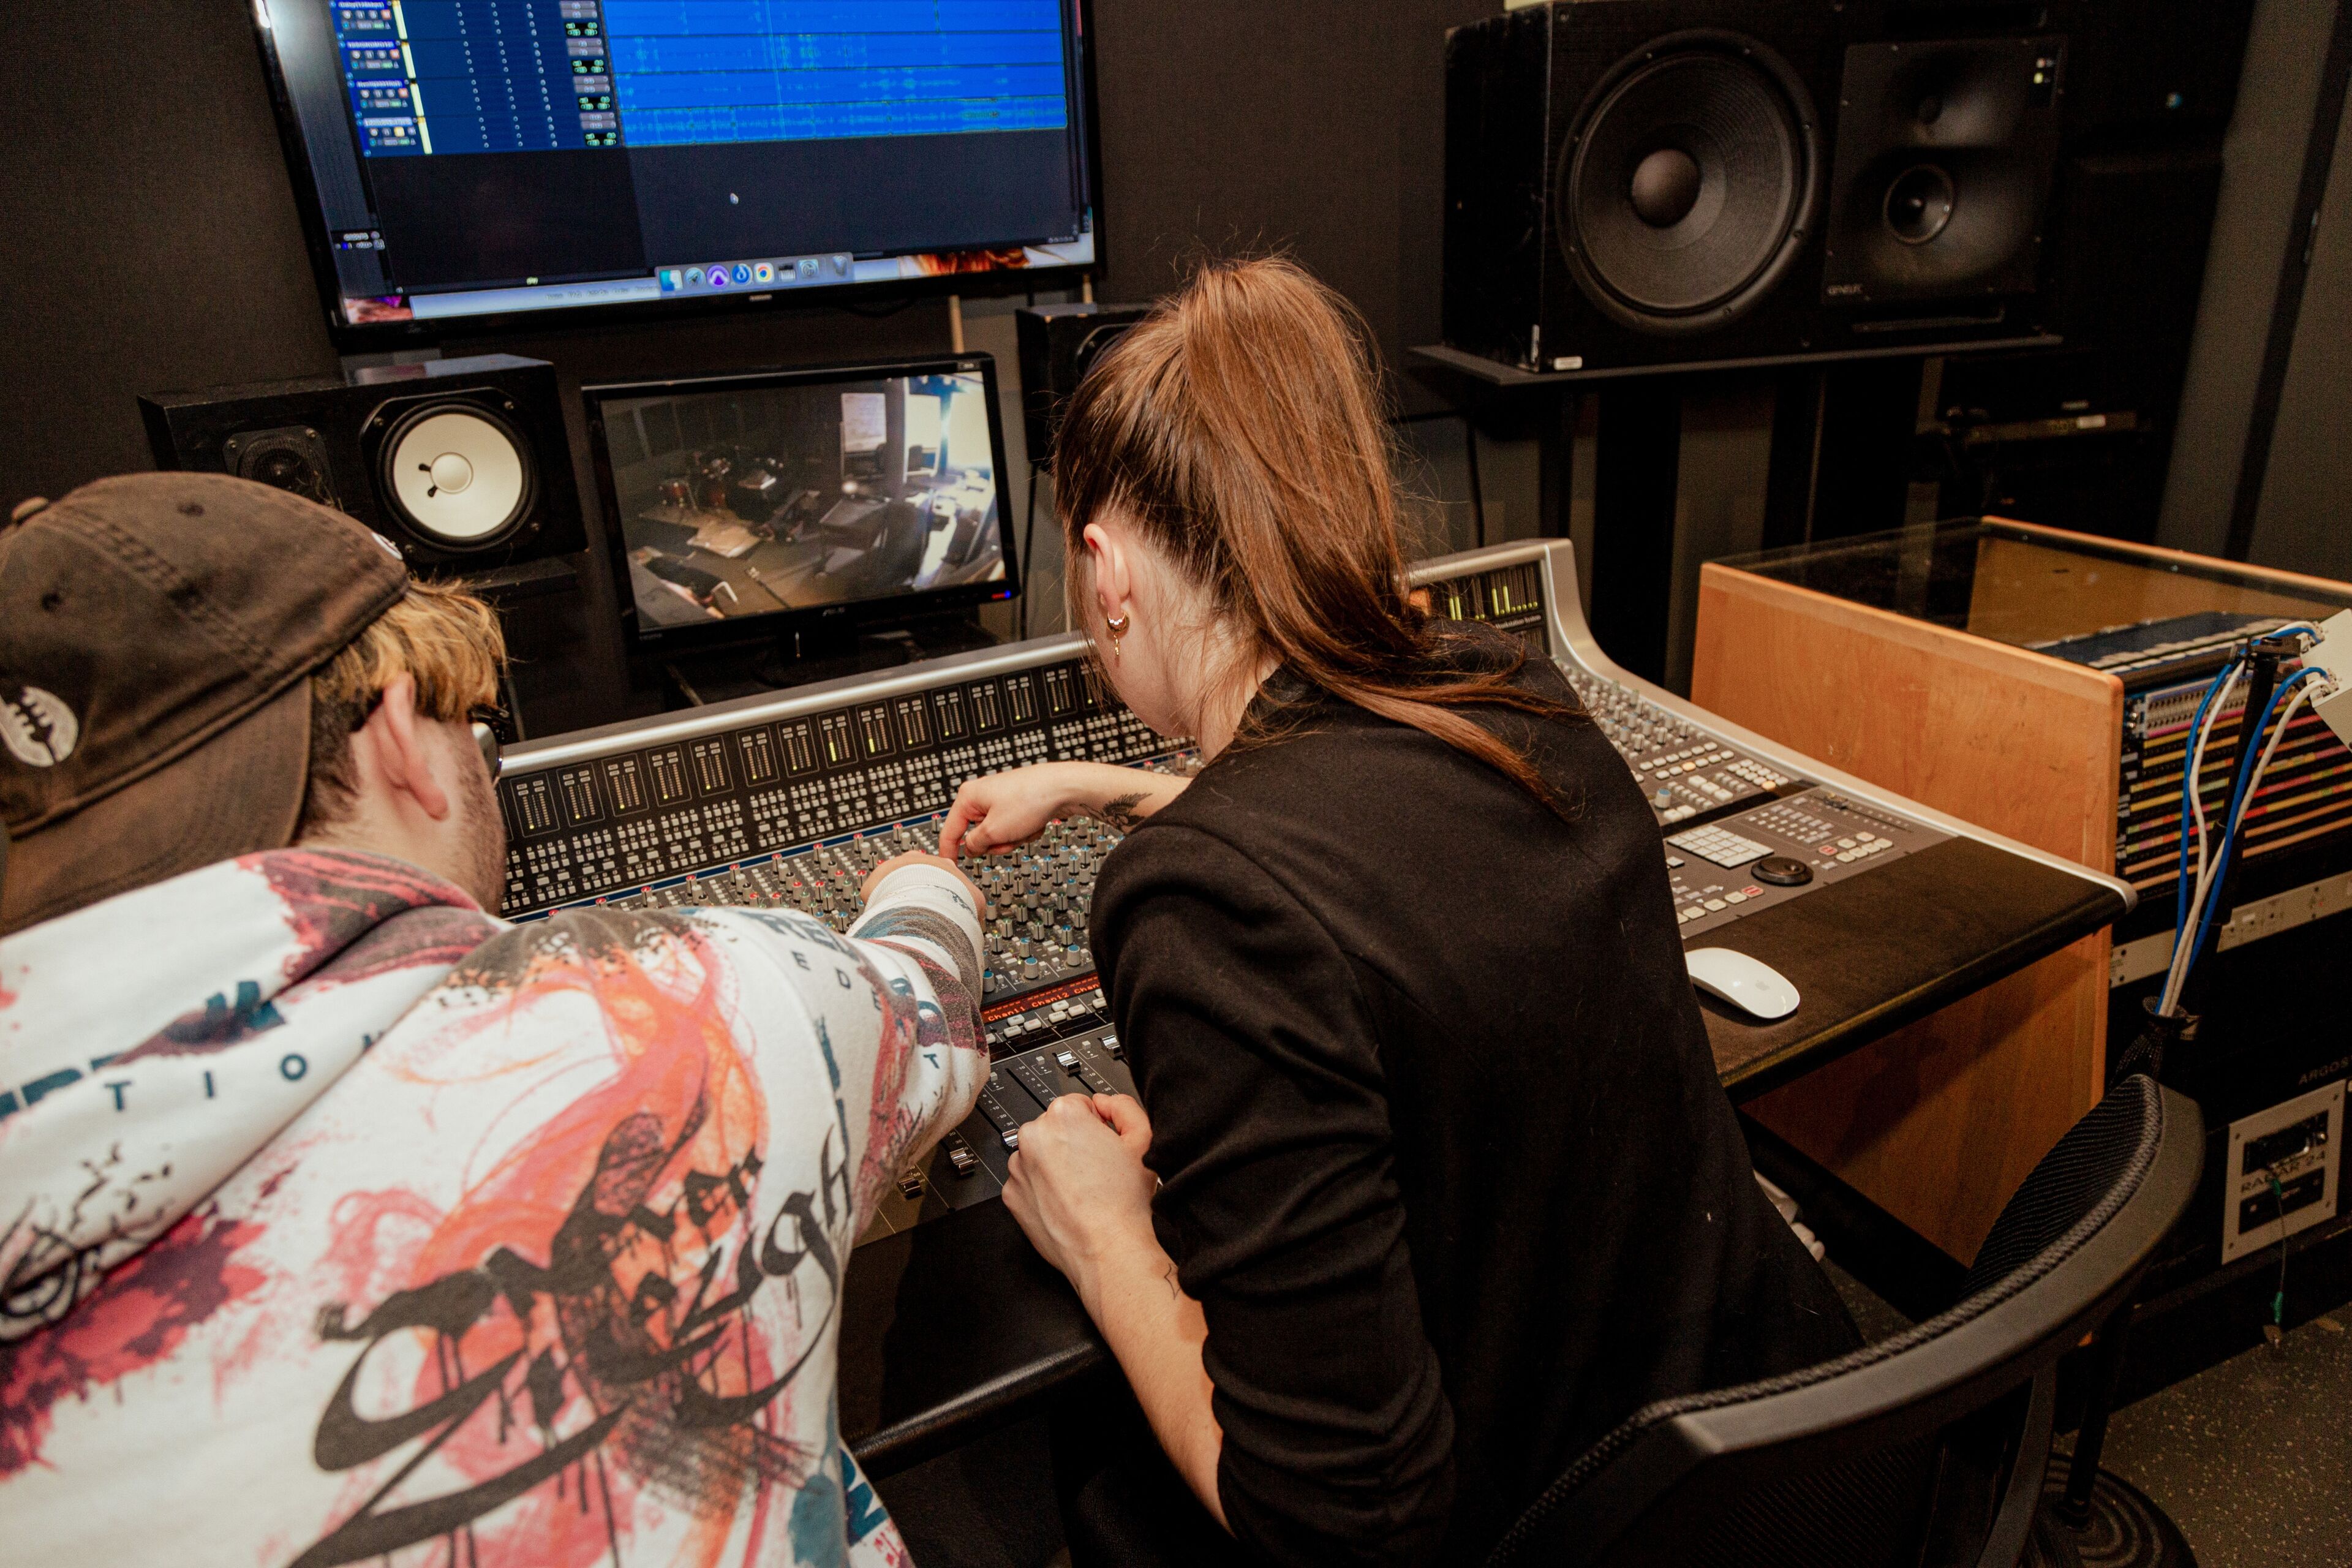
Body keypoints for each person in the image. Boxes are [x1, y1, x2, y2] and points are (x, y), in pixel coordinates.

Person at [935, 258, 1860, 1567]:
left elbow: (1340, 1518)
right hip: (1769, 1460)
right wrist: (1144, 784)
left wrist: (1104, 1231)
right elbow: (1379, 830)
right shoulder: (1521, 694)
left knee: (1079, 1462)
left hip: (1542, 1529)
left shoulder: (1201, 900)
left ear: (1106, 566)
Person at [0, 473, 988, 1566]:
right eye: (475, 726)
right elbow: (928, 1013)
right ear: (395, 742)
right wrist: (921, 887)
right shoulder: (699, 1005)